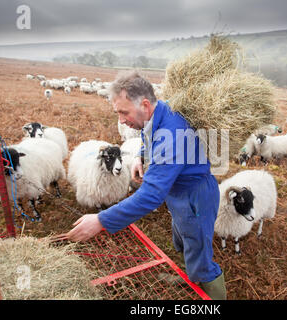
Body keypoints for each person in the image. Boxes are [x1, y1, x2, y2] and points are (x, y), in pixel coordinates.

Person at [66, 71, 226, 300]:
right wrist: (141, 156)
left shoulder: (172, 134)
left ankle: (211, 296)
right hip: (177, 193)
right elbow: (148, 134)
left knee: (201, 257)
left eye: (124, 112)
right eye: (117, 112)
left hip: (194, 197)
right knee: (181, 239)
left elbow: (150, 196)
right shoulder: (158, 112)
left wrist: (101, 220)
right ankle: (186, 277)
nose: (120, 120)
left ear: (144, 104)